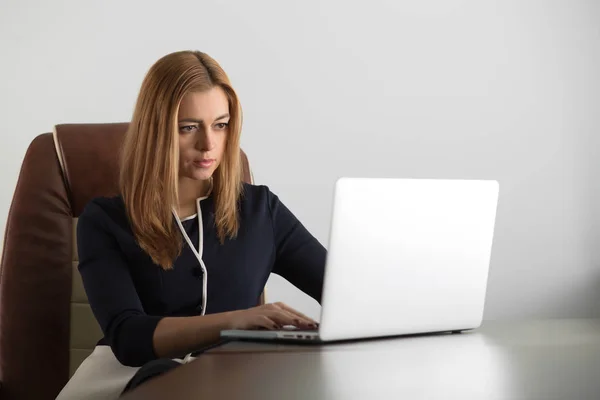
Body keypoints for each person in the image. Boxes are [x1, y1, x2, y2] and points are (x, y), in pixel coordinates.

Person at [56, 50, 326, 399]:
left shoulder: (261, 211)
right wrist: (235, 322)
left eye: (221, 125)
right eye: (188, 128)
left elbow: (345, 293)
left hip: (230, 384)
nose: (208, 145)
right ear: (155, 131)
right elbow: (128, 337)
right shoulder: (105, 221)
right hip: (126, 382)